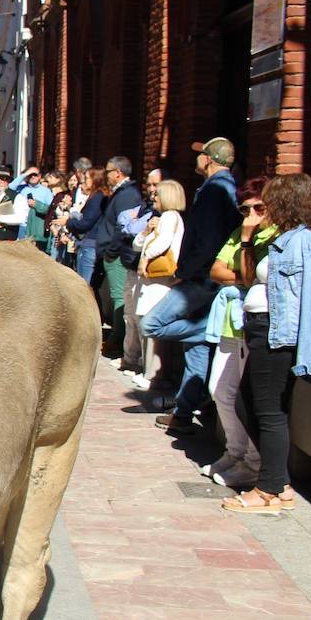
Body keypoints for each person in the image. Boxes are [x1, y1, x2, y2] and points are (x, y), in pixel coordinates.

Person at [223, 173, 311, 512]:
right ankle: (279, 481)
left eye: (270, 200)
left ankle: (269, 490)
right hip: (262, 331)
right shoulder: (286, 238)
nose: (264, 207)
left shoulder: (309, 243)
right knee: (250, 402)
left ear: (286, 201)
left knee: (269, 410)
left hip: (279, 337)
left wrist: (310, 352)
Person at [142, 137, 241, 434]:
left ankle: (206, 330)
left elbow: (208, 239)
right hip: (208, 277)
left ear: (209, 160)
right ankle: (183, 413)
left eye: (200, 155)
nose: (196, 159)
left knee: (152, 324)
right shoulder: (224, 187)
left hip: (201, 278)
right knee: (195, 349)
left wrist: (186, 270)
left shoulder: (215, 191)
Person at [202, 176, 275, 486]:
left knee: (246, 398)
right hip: (231, 321)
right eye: (245, 210)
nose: (251, 216)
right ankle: (236, 452)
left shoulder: (272, 237)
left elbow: (250, 275)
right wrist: (242, 276)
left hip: (255, 325)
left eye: (259, 208)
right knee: (218, 389)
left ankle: (254, 462)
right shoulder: (239, 232)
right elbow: (216, 269)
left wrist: (246, 241)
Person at [127, 179, 185, 389]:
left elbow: (162, 244)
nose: (153, 198)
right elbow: (136, 244)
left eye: (157, 195)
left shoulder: (171, 217)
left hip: (159, 280)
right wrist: (145, 232)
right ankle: (147, 368)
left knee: (151, 325)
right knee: (144, 322)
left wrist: (145, 258)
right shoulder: (159, 218)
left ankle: (152, 374)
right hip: (150, 281)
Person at [94, 156, 143, 357]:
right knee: (114, 296)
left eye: (108, 171)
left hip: (117, 255)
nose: (106, 175)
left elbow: (123, 228)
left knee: (119, 298)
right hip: (110, 253)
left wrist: (111, 252)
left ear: (118, 172)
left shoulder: (127, 194)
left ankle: (118, 340)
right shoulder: (121, 193)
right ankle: (117, 337)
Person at [118, 169, 164, 375]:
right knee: (131, 314)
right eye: (150, 185)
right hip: (134, 266)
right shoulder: (149, 209)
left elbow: (135, 231)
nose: (152, 190)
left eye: (156, 185)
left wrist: (136, 226)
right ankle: (130, 359)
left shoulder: (168, 216)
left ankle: (148, 367)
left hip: (152, 274)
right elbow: (129, 229)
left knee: (144, 317)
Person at [64, 167, 107, 280]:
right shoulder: (95, 196)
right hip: (86, 244)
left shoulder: (98, 197)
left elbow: (85, 223)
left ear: (96, 179)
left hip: (90, 245)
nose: (84, 181)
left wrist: (68, 222)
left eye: (87, 178)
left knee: (84, 284)